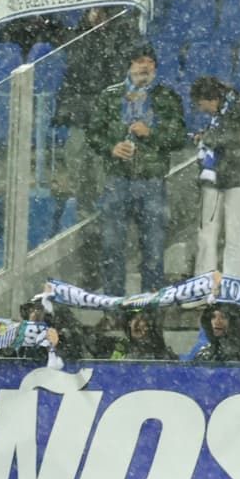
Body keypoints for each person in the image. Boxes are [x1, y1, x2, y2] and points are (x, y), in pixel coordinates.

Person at [86, 47, 186, 296]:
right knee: (111, 247)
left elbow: (179, 137)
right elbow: (93, 134)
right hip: (116, 181)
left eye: (150, 61)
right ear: (129, 65)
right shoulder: (109, 96)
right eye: (139, 61)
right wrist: (111, 147)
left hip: (152, 182)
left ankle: (150, 306)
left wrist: (150, 134)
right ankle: (113, 305)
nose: (145, 66)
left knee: (153, 248)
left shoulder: (166, 97)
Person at [191, 76, 240, 279]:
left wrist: (210, 138)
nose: (202, 109)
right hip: (215, 180)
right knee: (207, 233)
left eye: (202, 105)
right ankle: (204, 282)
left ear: (211, 99)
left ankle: (234, 284)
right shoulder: (222, 115)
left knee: (235, 234)